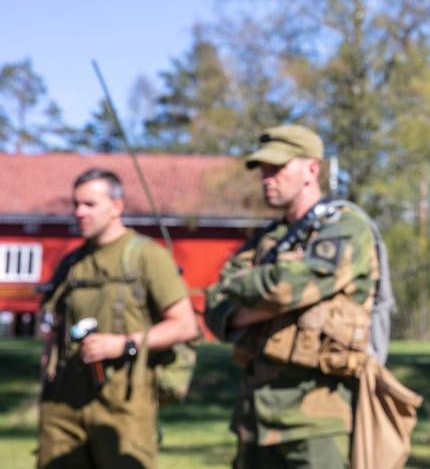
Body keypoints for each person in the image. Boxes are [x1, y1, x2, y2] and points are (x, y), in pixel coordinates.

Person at [204, 125, 382, 469]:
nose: (266, 179)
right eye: (263, 171)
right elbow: (215, 302)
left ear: (311, 169)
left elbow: (289, 287)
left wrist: (259, 295)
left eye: (277, 168)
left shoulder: (346, 227)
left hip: (318, 421)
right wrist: (271, 300)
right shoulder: (268, 239)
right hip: (255, 418)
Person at [37, 169, 197, 469]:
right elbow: (52, 327)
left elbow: (185, 325)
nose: (79, 212)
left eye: (89, 204)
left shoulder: (146, 256)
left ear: (116, 207)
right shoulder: (72, 263)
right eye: (75, 204)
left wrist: (124, 344)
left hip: (123, 404)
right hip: (63, 404)